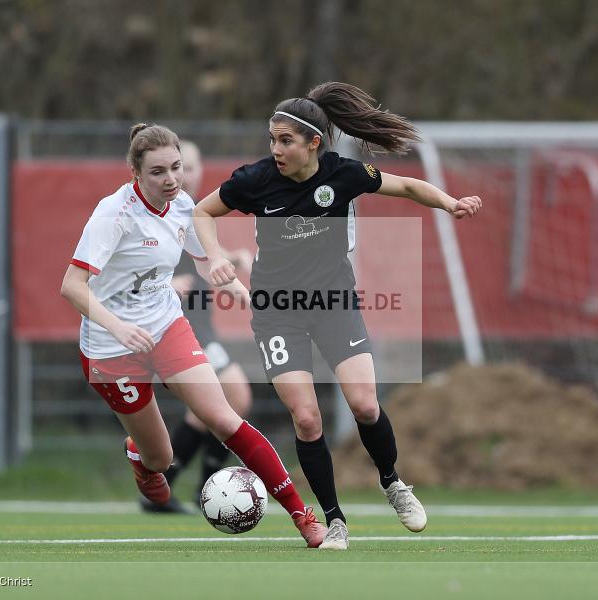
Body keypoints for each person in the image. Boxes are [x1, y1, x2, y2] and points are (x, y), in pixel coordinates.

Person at [193, 82, 482, 550]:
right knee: (306, 420)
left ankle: (392, 482)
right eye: (272, 140)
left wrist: (450, 203)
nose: (276, 149)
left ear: (314, 143)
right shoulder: (256, 179)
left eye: (285, 141)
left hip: (333, 303)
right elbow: (202, 213)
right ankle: (335, 521)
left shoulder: (343, 174)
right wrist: (217, 256)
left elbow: (406, 185)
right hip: (277, 311)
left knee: (365, 404)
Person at [60, 123, 328, 547]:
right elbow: (72, 285)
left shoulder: (183, 205)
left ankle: (303, 516)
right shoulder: (114, 214)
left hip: (166, 327)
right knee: (159, 457)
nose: (171, 180)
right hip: (110, 348)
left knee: (224, 418)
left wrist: (242, 293)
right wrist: (119, 327)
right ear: (135, 172)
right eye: (158, 172)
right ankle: (140, 459)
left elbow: (208, 265)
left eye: (176, 168)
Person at [140, 140, 255, 514]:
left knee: (210, 409)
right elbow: (126, 268)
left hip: (202, 323)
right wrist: (161, 284)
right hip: (177, 326)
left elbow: (202, 263)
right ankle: (200, 488)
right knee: (234, 396)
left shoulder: (195, 211)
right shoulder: (154, 212)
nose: (181, 176)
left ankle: (168, 489)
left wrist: (232, 260)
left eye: (188, 167)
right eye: (174, 168)